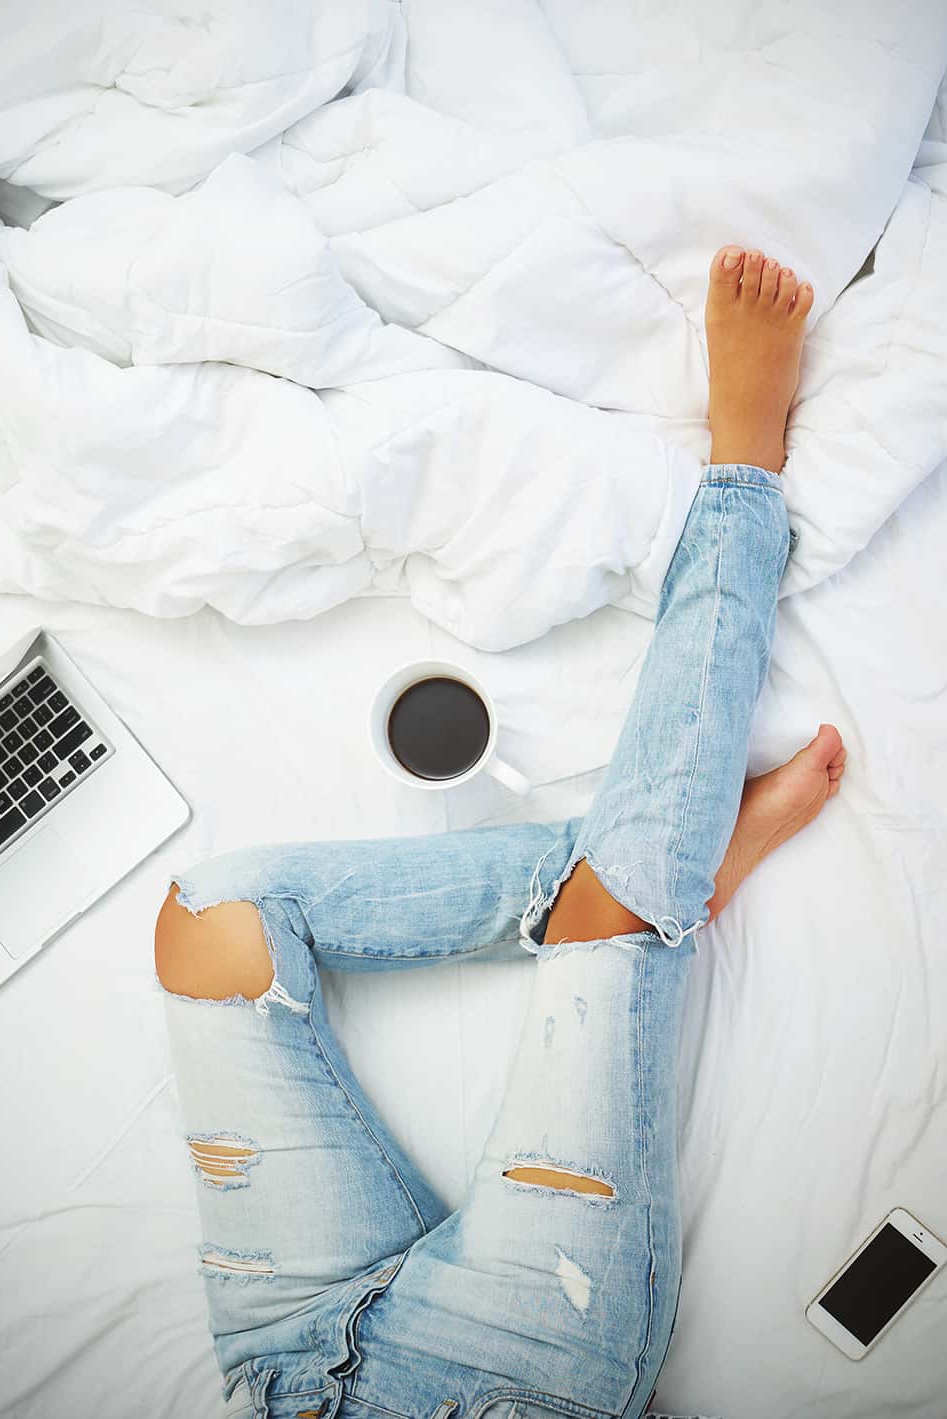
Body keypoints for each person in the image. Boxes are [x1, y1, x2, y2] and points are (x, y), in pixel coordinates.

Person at [154, 246, 845, 1419]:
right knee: (607, 909)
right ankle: (744, 471)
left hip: (282, 1352)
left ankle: (662, 866)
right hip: (510, 1371)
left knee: (209, 922)